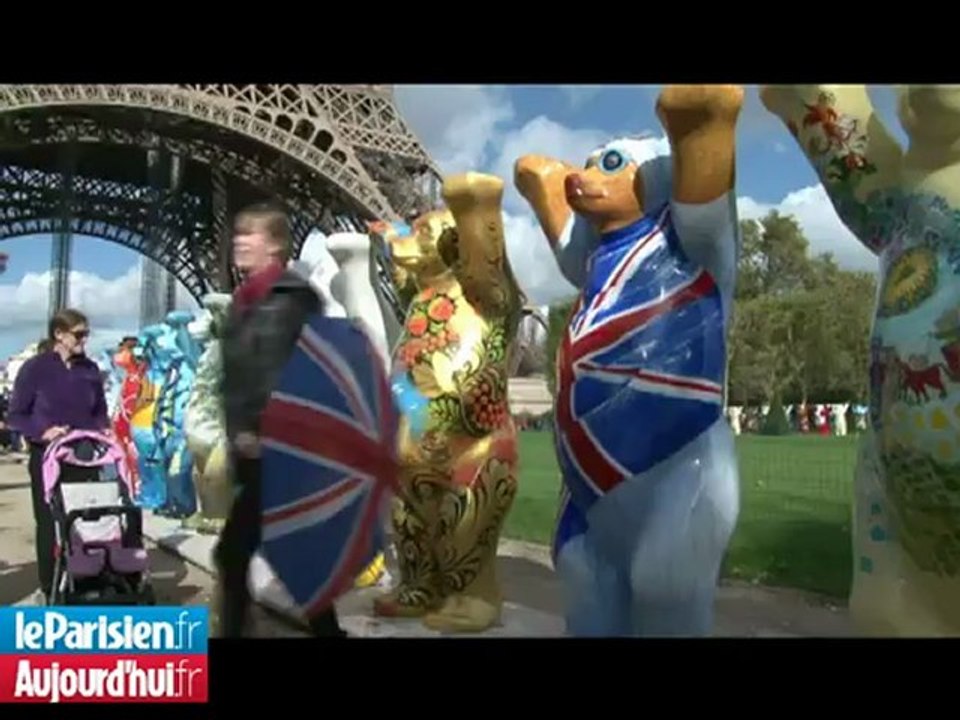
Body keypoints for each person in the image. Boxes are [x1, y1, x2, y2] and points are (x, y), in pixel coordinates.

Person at [215, 201, 345, 638]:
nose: (238, 242)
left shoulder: (293, 299)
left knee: (234, 555)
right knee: (289, 556)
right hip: (255, 450)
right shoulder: (245, 303)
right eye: (237, 234)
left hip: (279, 449)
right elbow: (237, 378)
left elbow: (304, 371)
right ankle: (328, 631)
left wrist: (264, 428)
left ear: (272, 245)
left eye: (247, 235)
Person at [7, 308, 111, 603]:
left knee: (87, 518)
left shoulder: (89, 369)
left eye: (86, 334)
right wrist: (44, 431)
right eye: (79, 334)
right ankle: (48, 584)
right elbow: (17, 415)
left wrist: (105, 430)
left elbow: (99, 410)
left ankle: (85, 579)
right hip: (47, 456)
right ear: (59, 335)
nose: (84, 340)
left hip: (84, 454)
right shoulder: (36, 368)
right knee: (48, 522)